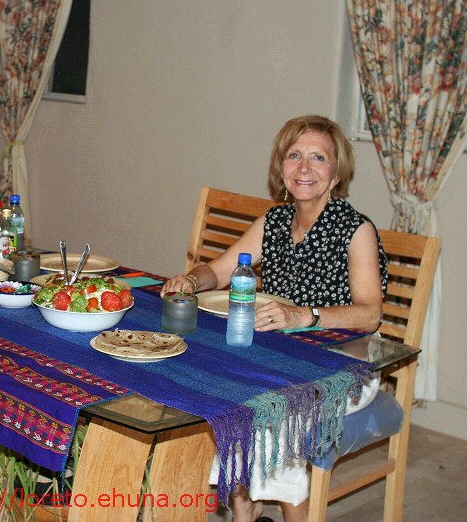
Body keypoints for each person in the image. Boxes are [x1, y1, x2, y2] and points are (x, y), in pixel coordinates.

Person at [162, 115, 387, 522]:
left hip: (344, 367)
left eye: (318, 158)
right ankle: (245, 509)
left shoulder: (356, 230)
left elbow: (370, 315)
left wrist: (305, 316)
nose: (304, 167)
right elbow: (221, 270)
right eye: (294, 155)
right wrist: (191, 280)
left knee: (272, 416)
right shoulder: (275, 221)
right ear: (281, 168)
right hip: (280, 356)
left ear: (336, 173)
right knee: (210, 389)